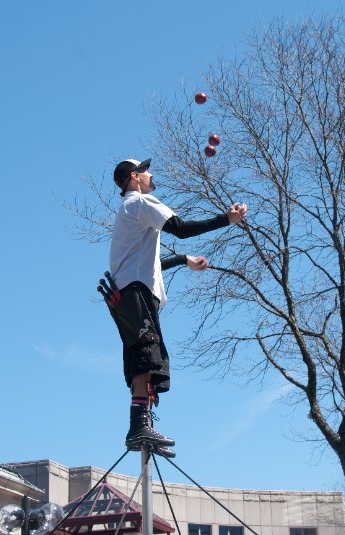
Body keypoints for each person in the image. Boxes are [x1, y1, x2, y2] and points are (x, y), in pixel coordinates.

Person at [108, 157, 247, 457]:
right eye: (145, 170)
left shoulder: (128, 212)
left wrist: (184, 260)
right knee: (147, 355)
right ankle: (138, 426)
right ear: (135, 176)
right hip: (136, 294)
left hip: (127, 296)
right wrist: (227, 219)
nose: (151, 174)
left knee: (142, 357)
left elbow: (151, 264)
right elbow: (180, 228)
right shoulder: (141, 203)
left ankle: (142, 427)